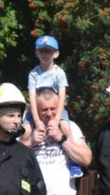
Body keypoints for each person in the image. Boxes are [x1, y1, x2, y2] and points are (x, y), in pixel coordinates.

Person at [25, 34, 81, 179]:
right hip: (37, 109)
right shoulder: (33, 73)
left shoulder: (59, 73)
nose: (45, 54)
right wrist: (37, 121)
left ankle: (74, 164)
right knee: (25, 131)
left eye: (48, 51)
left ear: (55, 54)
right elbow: (31, 97)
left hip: (56, 109)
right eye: (42, 51)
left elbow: (62, 97)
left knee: (67, 129)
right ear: (37, 53)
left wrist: (56, 119)